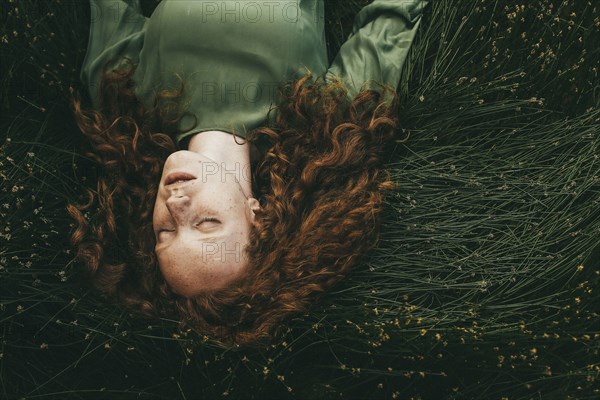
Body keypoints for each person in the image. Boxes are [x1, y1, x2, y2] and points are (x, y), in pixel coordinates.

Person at [68, 0, 428, 345]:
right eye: (206, 223)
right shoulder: (323, 124)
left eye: (164, 232)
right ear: (258, 218)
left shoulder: (122, 107)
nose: (176, 206)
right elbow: (390, 20)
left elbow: (111, 9)